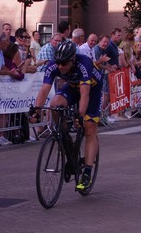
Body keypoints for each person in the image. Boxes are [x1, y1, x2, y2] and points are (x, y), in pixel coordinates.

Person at [30, 39, 104, 193]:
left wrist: (80, 116)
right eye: (58, 63)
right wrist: (36, 110)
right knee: (55, 104)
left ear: (73, 60)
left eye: (64, 63)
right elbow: (44, 90)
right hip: (72, 87)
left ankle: (87, 173)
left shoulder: (84, 64)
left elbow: (85, 95)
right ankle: (64, 136)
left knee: (89, 128)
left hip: (92, 90)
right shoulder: (53, 65)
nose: (60, 66)